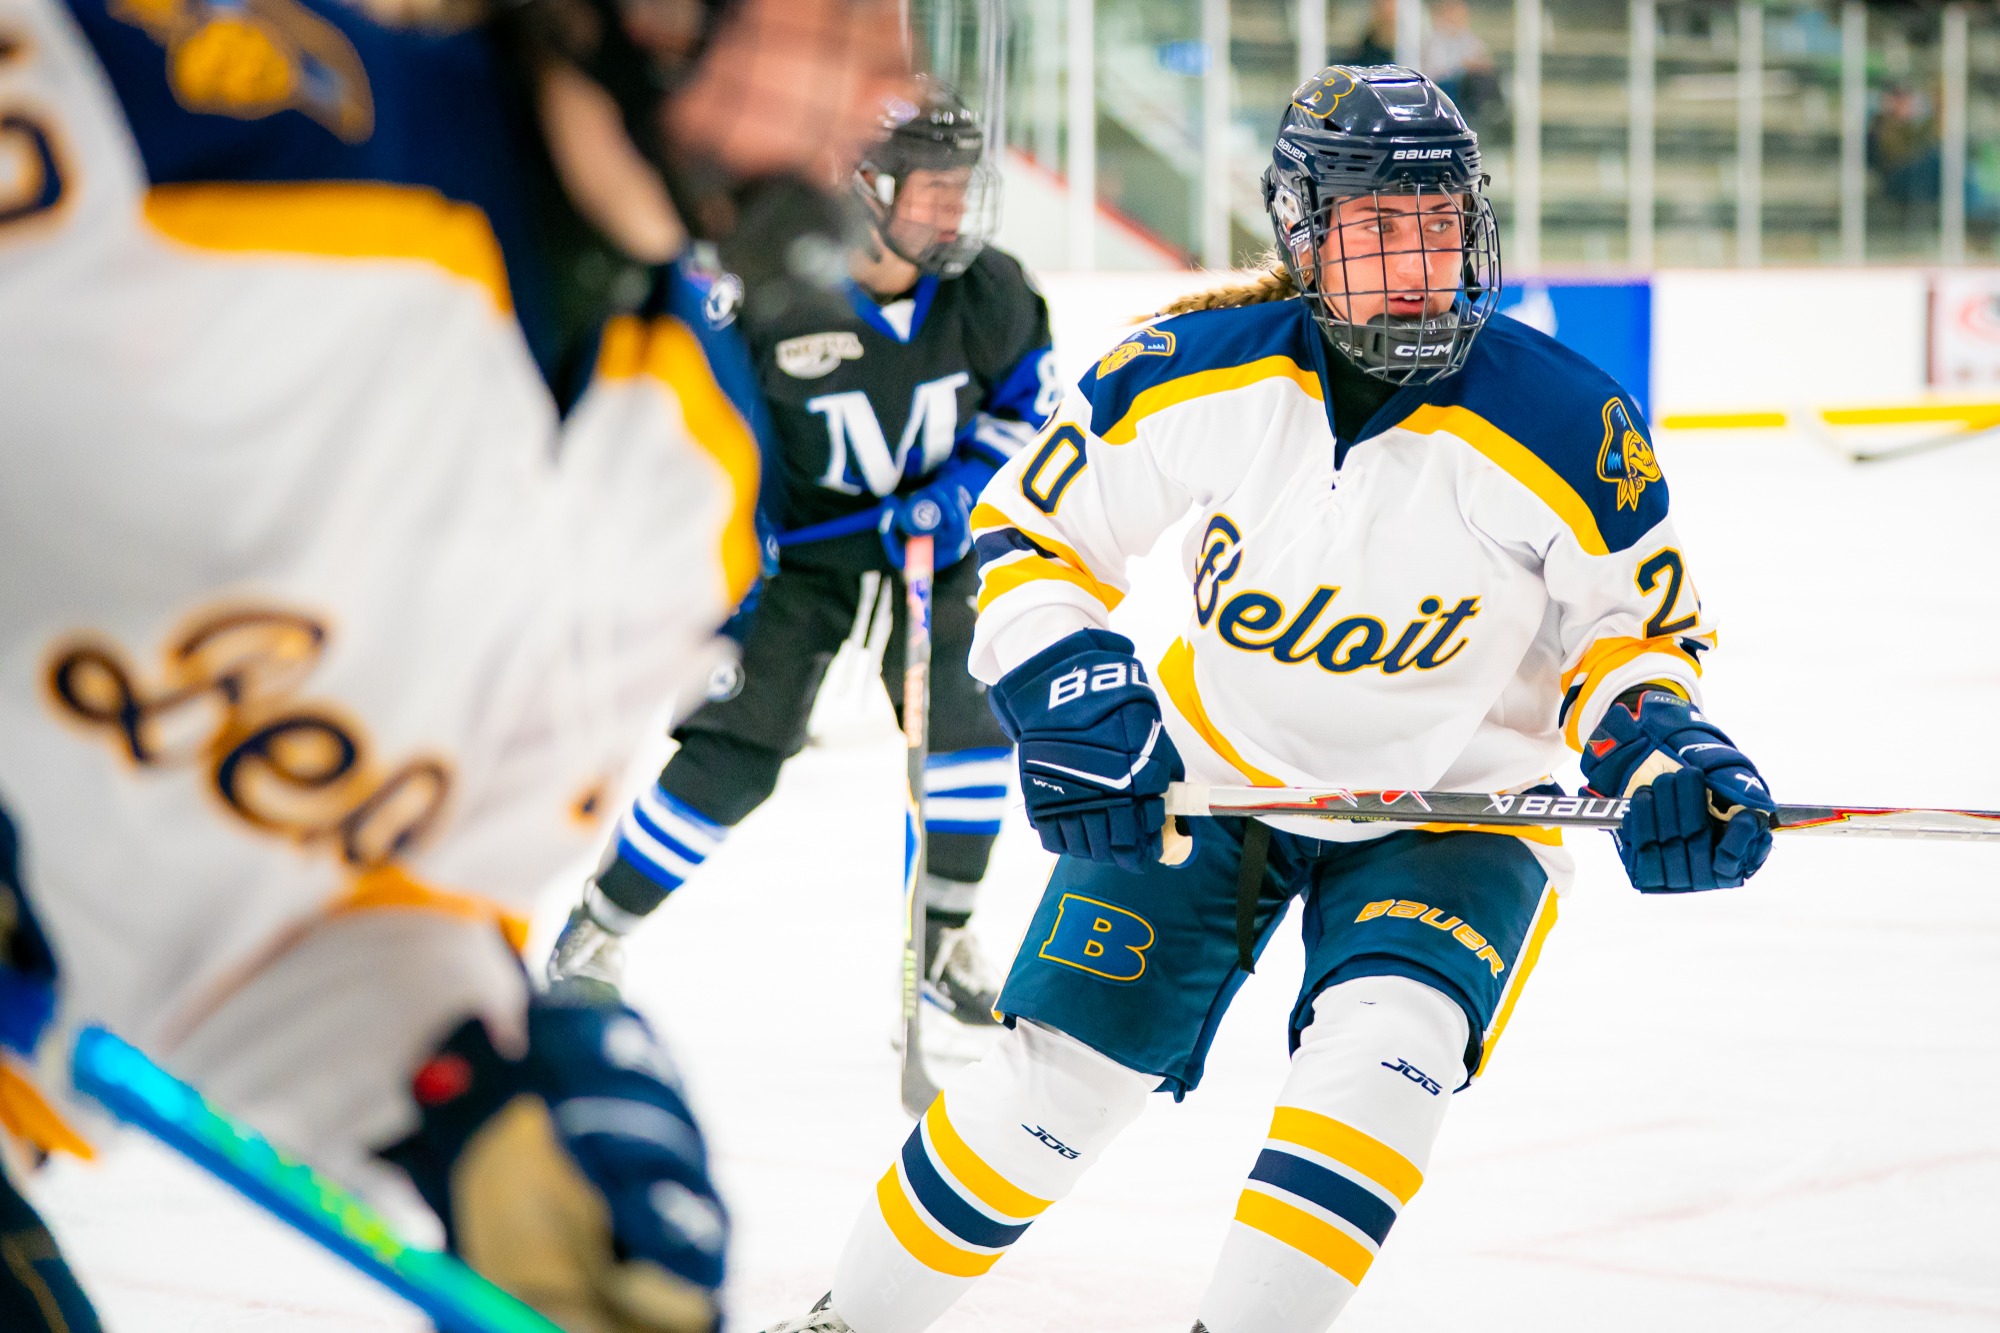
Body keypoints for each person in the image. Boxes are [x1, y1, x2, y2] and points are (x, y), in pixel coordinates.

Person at [759, 65, 1776, 1333]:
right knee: (1049, 1088)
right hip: (1214, 778)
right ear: (1301, 233)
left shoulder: (1569, 422)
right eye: (1376, 229)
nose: (1418, 264)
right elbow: (1025, 534)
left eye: (1440, 224)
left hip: (1453, 813)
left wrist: (1658, 747)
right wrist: (1067, 687)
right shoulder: (1195, 371)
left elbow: (1629, 636)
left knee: (1377, 1071)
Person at [0, 0, 905, 1325]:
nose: (889, 81)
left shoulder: (688, 479)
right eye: (842, 19)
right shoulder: (177, 107)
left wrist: (474, 1094)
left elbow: (326, 901)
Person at [547, 76, 1057, 1030]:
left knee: (968, 715)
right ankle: (599, 924)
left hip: (934, 553)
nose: (956, 209)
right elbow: (699, 429)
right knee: (735, 755)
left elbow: (1030, 406)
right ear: (864, 189)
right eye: (931, 188)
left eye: (961, 186)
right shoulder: (765, 297)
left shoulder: (989, 291)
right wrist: (739, 536)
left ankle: (943, 940)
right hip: (797, 565)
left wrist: (956, 495)